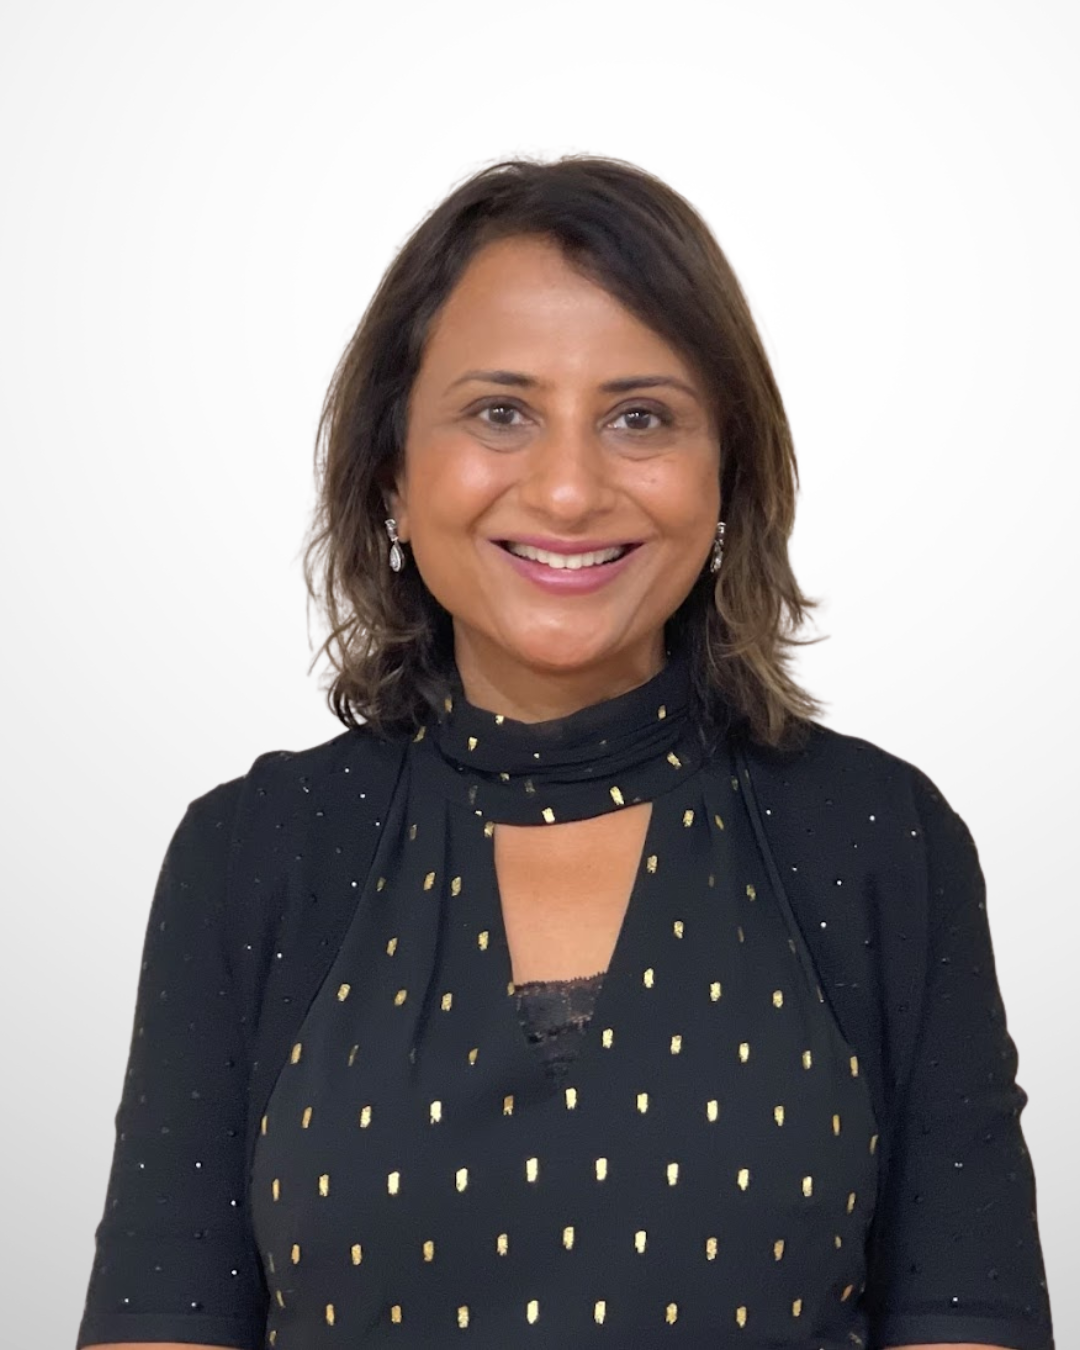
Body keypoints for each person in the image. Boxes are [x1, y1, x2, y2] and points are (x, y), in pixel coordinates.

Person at [76, 155, 1054, 1350]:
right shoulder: (253, 853)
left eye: (640, 417)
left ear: (727, 477)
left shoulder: (877, 840)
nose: (571, 486)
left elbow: (970, 1315)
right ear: (391, 469)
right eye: (502, 412)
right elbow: (159, 1319)